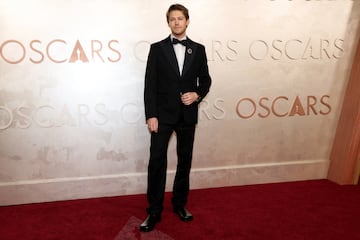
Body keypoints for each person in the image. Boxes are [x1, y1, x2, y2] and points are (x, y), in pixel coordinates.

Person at [140, 3, 212, 232]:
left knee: (184, 161)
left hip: (187, 116)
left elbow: (206, 80)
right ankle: (154, 210)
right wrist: (151, 115)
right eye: (172, 19)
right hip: (161, 116)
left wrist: (197, 94)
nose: (177, 22)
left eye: (180, 18)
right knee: (157, 162)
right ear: (168, 22)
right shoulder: (157, 48)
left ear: (187, 21)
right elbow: (149, 85)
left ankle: (180, 204)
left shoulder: (198, 49)